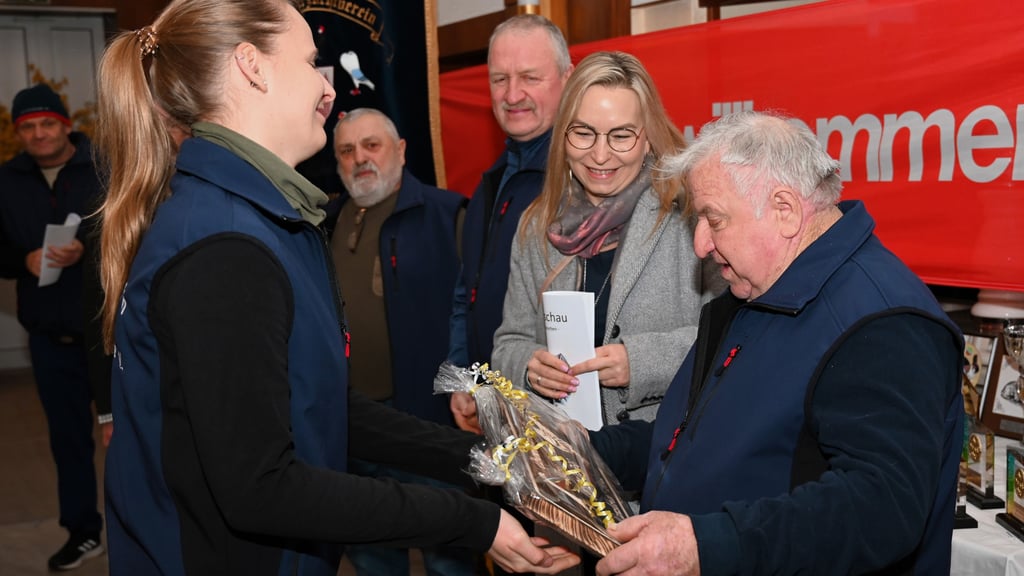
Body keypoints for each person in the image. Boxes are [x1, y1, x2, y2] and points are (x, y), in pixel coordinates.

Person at [92, 1, 579, 575]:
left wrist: (492, 457)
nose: (328, 90)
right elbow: (262, 487)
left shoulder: (257, 218)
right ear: (253, 67)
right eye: (309, 61)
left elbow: (320, 405)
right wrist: (474, 521)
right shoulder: (226, 245)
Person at [589, 111, 964, 576]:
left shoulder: (881, 321)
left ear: (785, 210)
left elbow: (880, 509)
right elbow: (702, 436)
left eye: (713, 219)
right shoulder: (755, 290)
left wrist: (704, 545)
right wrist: (591, 451)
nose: (701, 244)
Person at [491, 50, 721, 426]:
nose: (600, 155)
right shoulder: (536, 226)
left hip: (660, 455)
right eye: (583, 133)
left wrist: (643, 361)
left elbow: (732, 335)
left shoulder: (689, 217)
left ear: (648, 139)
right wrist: (529, 366)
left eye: (621, 136)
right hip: (561, 458)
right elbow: (508, 342)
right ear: (563, 137)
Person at [326, 107, 477, 576]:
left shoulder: (448, 214)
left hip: (426, 426)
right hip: (349, 426)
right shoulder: (321, 222)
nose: (360, 159)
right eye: (347, 151)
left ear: (401, 151)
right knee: (370, 552)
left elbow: (473, 314)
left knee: (448, 552)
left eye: (372, 145)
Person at [448, 14, 574, 433]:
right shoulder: (489, 185)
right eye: (499, 79)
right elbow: (469, 293)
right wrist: (467, 377)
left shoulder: (584, 180)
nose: (512, 94)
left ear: (567, 77)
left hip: (556, 416)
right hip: (494, 410)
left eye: (529, 77)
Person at [0, 83, 105, 571]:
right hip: (48, 337)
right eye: (28, 127)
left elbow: (136, 228)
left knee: (127, 434)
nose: (39, 134)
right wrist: (24, 258)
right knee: (68, 442)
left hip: (107, 334)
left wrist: (88, 249)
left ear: (66, 125)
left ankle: (146, 523)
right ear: (18, 133)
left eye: (47, 123)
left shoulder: (102, 166)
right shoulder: (6, 181)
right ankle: (84, 532)